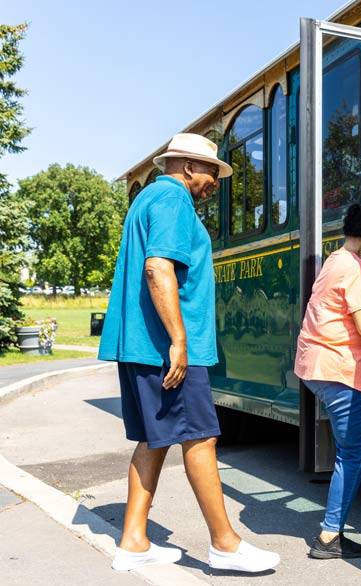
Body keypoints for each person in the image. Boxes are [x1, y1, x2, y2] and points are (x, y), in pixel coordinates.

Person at [98, 133, 280, 573]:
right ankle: (225, 544)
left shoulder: (146, 200)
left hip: (141, 345)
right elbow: (158, 268)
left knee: (155, 440)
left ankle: (134, 540)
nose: (215, 182)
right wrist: (179, 341)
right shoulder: (174, 200)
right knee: (201, 437)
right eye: (212, 172)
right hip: (165, 347)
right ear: (187, 167)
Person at [294, 203, 361, 559]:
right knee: (354, 452)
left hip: (319, 364)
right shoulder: (357, 271)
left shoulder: (338, 260)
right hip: (340, 370)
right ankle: (328, 538)